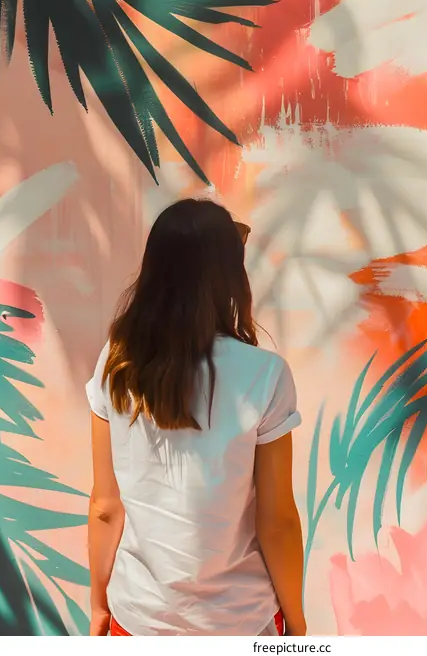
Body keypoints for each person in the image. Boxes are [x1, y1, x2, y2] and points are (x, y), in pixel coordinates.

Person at [85, 198, 306, 636]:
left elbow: (105, 507)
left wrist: (98, 605)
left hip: (139, 618)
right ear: (230, 274)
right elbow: (277, 520)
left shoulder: (117, 361)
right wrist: (298, 626)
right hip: (241, 622)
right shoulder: (265, 374)